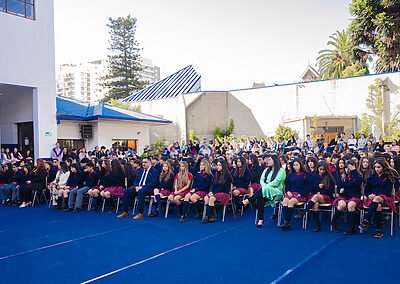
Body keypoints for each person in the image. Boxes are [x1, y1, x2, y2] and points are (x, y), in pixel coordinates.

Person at [242, 154, 286, 227]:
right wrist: (264, 187)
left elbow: (276, 182)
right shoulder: (266, 170)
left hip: (276, 192)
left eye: (269, 160)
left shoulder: (281, 171)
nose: (267, 161)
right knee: (260, 197)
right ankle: (261, 219)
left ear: (275, 161)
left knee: (262, 190)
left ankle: (249, 200)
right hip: (265, 191)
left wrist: (265, 187)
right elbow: (261, 180)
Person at [359, 158, 396, 238]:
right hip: (373, 199)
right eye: (375, 167)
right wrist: (369, 195)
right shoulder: (372, 177)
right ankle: (379, 231)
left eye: (379, 167)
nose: (377, 169)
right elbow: (367, 190)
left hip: (385, 198)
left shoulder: (388, 177)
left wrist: (375, 196)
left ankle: (366, 220)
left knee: (377, 199)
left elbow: (387, 191)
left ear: (383, 167)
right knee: (378, 206)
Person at [331, 160, 362, 235]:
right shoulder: (342, 177)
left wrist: (354, 171)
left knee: (350, 205)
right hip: (344, 195)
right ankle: (333, 222)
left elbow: (358, 183)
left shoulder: (358, 176)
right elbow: (338, 187)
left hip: (354, 195)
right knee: (341, 205)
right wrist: (340, 190)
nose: (347, 170)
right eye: (346, 168)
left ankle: (351, 228)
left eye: (349, 168)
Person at [303, 161, 336, 232]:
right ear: (317, 169)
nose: (322, 171)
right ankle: (317, 225)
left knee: (316, 196)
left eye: (323, 169)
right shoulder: (314, 177)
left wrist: (322, 189)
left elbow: (331, 190)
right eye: (320, 169)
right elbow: (310, 188)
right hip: (315, 196)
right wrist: (317, 187)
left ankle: (305, 210)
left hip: (326, 197)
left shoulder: (329, 178)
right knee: (315, 203)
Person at [279, 158, 310, 230]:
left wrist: (301, 194)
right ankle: (286, 221)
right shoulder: (290, 175)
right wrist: (288, 191)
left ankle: (287, 221)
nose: (295, 166)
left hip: (300, 194)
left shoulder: (305, 175)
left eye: (297, 165)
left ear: (300, 165)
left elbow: (307, 187)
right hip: (291, 192)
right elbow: (287, 185)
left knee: (291, 202)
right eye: (294, 165)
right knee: (285, 201)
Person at [202, 159, 232, 224]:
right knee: (206, 198)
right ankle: (212, 215)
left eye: (220, 165)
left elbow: (223, 188)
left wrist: (213, 193)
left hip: (224, 193)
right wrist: (211, 191)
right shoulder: (216, 174)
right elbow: (213, 185)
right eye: (217, 165)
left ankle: (207, 216)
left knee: (212, 198)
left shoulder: (228, 176)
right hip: (215, 192)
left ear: (223, 166)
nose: (218, 167)